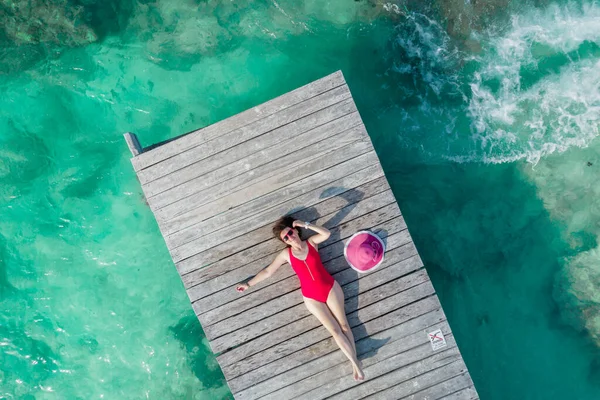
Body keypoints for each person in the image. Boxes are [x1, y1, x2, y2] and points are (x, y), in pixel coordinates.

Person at [235, 216, 365, 381]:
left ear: (295, 230)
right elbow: (268, 272)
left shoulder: (311, 243)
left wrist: (305, 224)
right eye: (286, 238)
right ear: (285, 242)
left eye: (290, 232)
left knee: (344, 325)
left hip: (330, 288)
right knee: (334, 331)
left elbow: (326, 233)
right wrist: (249, 284)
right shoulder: (286, 254)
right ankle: (355, 363)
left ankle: (356, 365)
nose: (290, 237)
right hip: (311, 297)